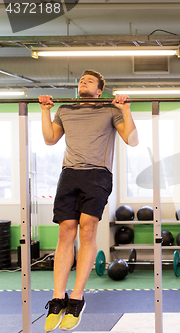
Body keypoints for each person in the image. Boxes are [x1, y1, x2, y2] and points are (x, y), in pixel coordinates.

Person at [39, 70, 138, 332]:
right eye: (82, 80)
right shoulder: (65, 110)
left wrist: (126, 109)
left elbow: (132, 139)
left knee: (87, 228)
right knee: (65, 231)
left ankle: (77, 299)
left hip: (97, 174)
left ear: (99, 91)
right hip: (69, 174)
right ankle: (58, 298)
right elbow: (50, 139)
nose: (84, 83)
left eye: (90, 81)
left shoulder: (110, 111)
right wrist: (45, 110)